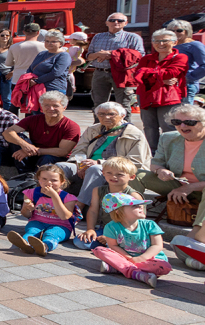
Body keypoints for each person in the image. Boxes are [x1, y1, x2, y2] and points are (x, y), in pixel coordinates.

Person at [133, 104, 205, 271]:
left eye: (189, 122)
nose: (183, 126)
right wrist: (161, 170)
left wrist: (190, 187)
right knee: (135, 174)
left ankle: (195, 238)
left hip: (200, 189)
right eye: (177, 122)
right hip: (176, 184)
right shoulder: (168, 137)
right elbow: (155, 163)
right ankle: (134, 225)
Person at [55, 102, 150, 207]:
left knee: (94, 169)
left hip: (114, 171)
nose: (106, 117)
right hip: (86, 165)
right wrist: (80, 164)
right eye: (101, 114)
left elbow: (135, 161)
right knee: (60, 167)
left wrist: (99, 162)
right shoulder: (93, 130)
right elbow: (79, 149)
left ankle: (79, 207)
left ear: (122, 115)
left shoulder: (134, 134)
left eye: (111, 114)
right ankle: (52, 201)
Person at [93, 193, 171, 288]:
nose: (141, 207)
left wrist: (141, 258)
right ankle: (137, 274)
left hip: (149, 259)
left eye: (140, 205)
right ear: (118, 211)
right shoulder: (111, 227)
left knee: (163, 266)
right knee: (100, 250)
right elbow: (113, 246)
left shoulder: (150, 224)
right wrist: (128, 257)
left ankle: (119, 268)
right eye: (135, 205)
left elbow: (158, 245)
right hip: (125, 257)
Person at [7, 164, 81, 257]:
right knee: (32, 231)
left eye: (54, 180)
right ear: (39, 179)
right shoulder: (31, 193)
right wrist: (27, 208)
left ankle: (45, 247)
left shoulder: (68, 198)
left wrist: (54, 196)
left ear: (62, 182)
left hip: (61, 226)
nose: (48, 183)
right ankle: (25, 244)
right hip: (38, 221)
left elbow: (64, 216)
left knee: (51, 234)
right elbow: (26, 215)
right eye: (44, 179)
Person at [135, 28, 188, 153]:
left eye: (165, 41)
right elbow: (137, 75)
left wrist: (148, 74)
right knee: (149, 127)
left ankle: (171, 153)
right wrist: (160, 80)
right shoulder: (146, 58)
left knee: (169, 126)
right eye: (156, 41)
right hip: (146, 95)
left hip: (169, 97)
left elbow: (172, 73)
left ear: (174, 42)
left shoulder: (180, 57)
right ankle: (152, 153)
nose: (161, 44)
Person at [87, 12, 146, 122]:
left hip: (122, 74)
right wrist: (99, 55)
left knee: (123, 104)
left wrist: (112, 54)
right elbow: (89, 56)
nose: (116, 22)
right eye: (112, 20)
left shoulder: (133, 37)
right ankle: (99, 129)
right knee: (98, 104)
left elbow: (140, 56)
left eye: (120, 20)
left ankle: (125, 129)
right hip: (100, 73)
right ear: (106, 23)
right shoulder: (98, 37)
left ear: (126, 23)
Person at [3, 91, 81, 174]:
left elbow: (63, 152)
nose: (51, 109)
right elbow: (7, 133)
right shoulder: (33, 119)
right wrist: (25, 145)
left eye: (55, 106)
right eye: (47, 105)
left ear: (64, 107)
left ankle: (36, 180)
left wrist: (35, 150)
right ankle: (24, 174)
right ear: (42, 106)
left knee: (47, 158)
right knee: (18, 137)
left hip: (53, 157)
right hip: (32, 154)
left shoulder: (71, 126)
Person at [78, 157, 144, 251]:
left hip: (126, 232)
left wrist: (113, 237)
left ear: (131, 177)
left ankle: (112, 246)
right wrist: (90, 229)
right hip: (106, 228)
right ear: (103, 173)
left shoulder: (134, 196)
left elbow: (139, 222)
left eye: (120, 174)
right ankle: (109, 245)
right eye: (109, 173)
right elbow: (93, 210)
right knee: (80, 241)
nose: (113, 177)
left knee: (120, 245)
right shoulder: (98, 190)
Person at [5, 23, 44, 113]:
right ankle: (28, 125)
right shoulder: (43, 46)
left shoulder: (14, 47)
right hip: (34, 80)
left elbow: (8, 63)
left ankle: (13, 123)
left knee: (15, 103)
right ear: (38, 32)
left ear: (24, 32)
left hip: (18, 79)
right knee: (31, 105)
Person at [25, 29, 72, 100]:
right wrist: (29, 78)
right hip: (36, 88)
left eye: (53, 41)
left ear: (61, 43)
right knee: (35, 111)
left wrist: (37, 81)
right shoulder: (41, 54)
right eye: (47, 41)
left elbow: (56, 73)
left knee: (49, 110)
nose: (49, 43)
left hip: (53, 89)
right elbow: (31, 68)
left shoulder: (64, 56)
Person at [166, 19, 205, 104]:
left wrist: (189, 77)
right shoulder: (169, 44)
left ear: (187, 31)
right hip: (170, 84)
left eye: (179, 30)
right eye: (171, 31)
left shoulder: (195, 45)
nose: (175, 33)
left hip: (186, 85)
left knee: (183, 114)